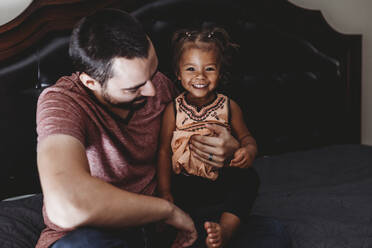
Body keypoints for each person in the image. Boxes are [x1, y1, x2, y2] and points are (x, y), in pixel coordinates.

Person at [35, 9, 240, 248]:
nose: (153, 91)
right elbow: (65, 206)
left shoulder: (159, 85)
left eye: (153, 73)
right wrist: (166, 211)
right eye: (134, 88)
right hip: (98, 232)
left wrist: (230, 147)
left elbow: (197, 139)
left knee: (271, 234)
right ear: (91, 82)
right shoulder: (62, 102)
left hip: (159, 228)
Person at [157, 27, 260, 248]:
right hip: (184, 181)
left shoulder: (229, 106)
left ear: (220, 72)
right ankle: (183, 230)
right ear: (178, 73)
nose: (200, 76)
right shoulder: (172, 110)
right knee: (172, 204)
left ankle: (226, 230)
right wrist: (165, 191)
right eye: (191, 68)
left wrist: (248, 151)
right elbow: (164, 150)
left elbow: (247, 138)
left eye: (209, 69)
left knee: (248, 179)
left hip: (221, 178)